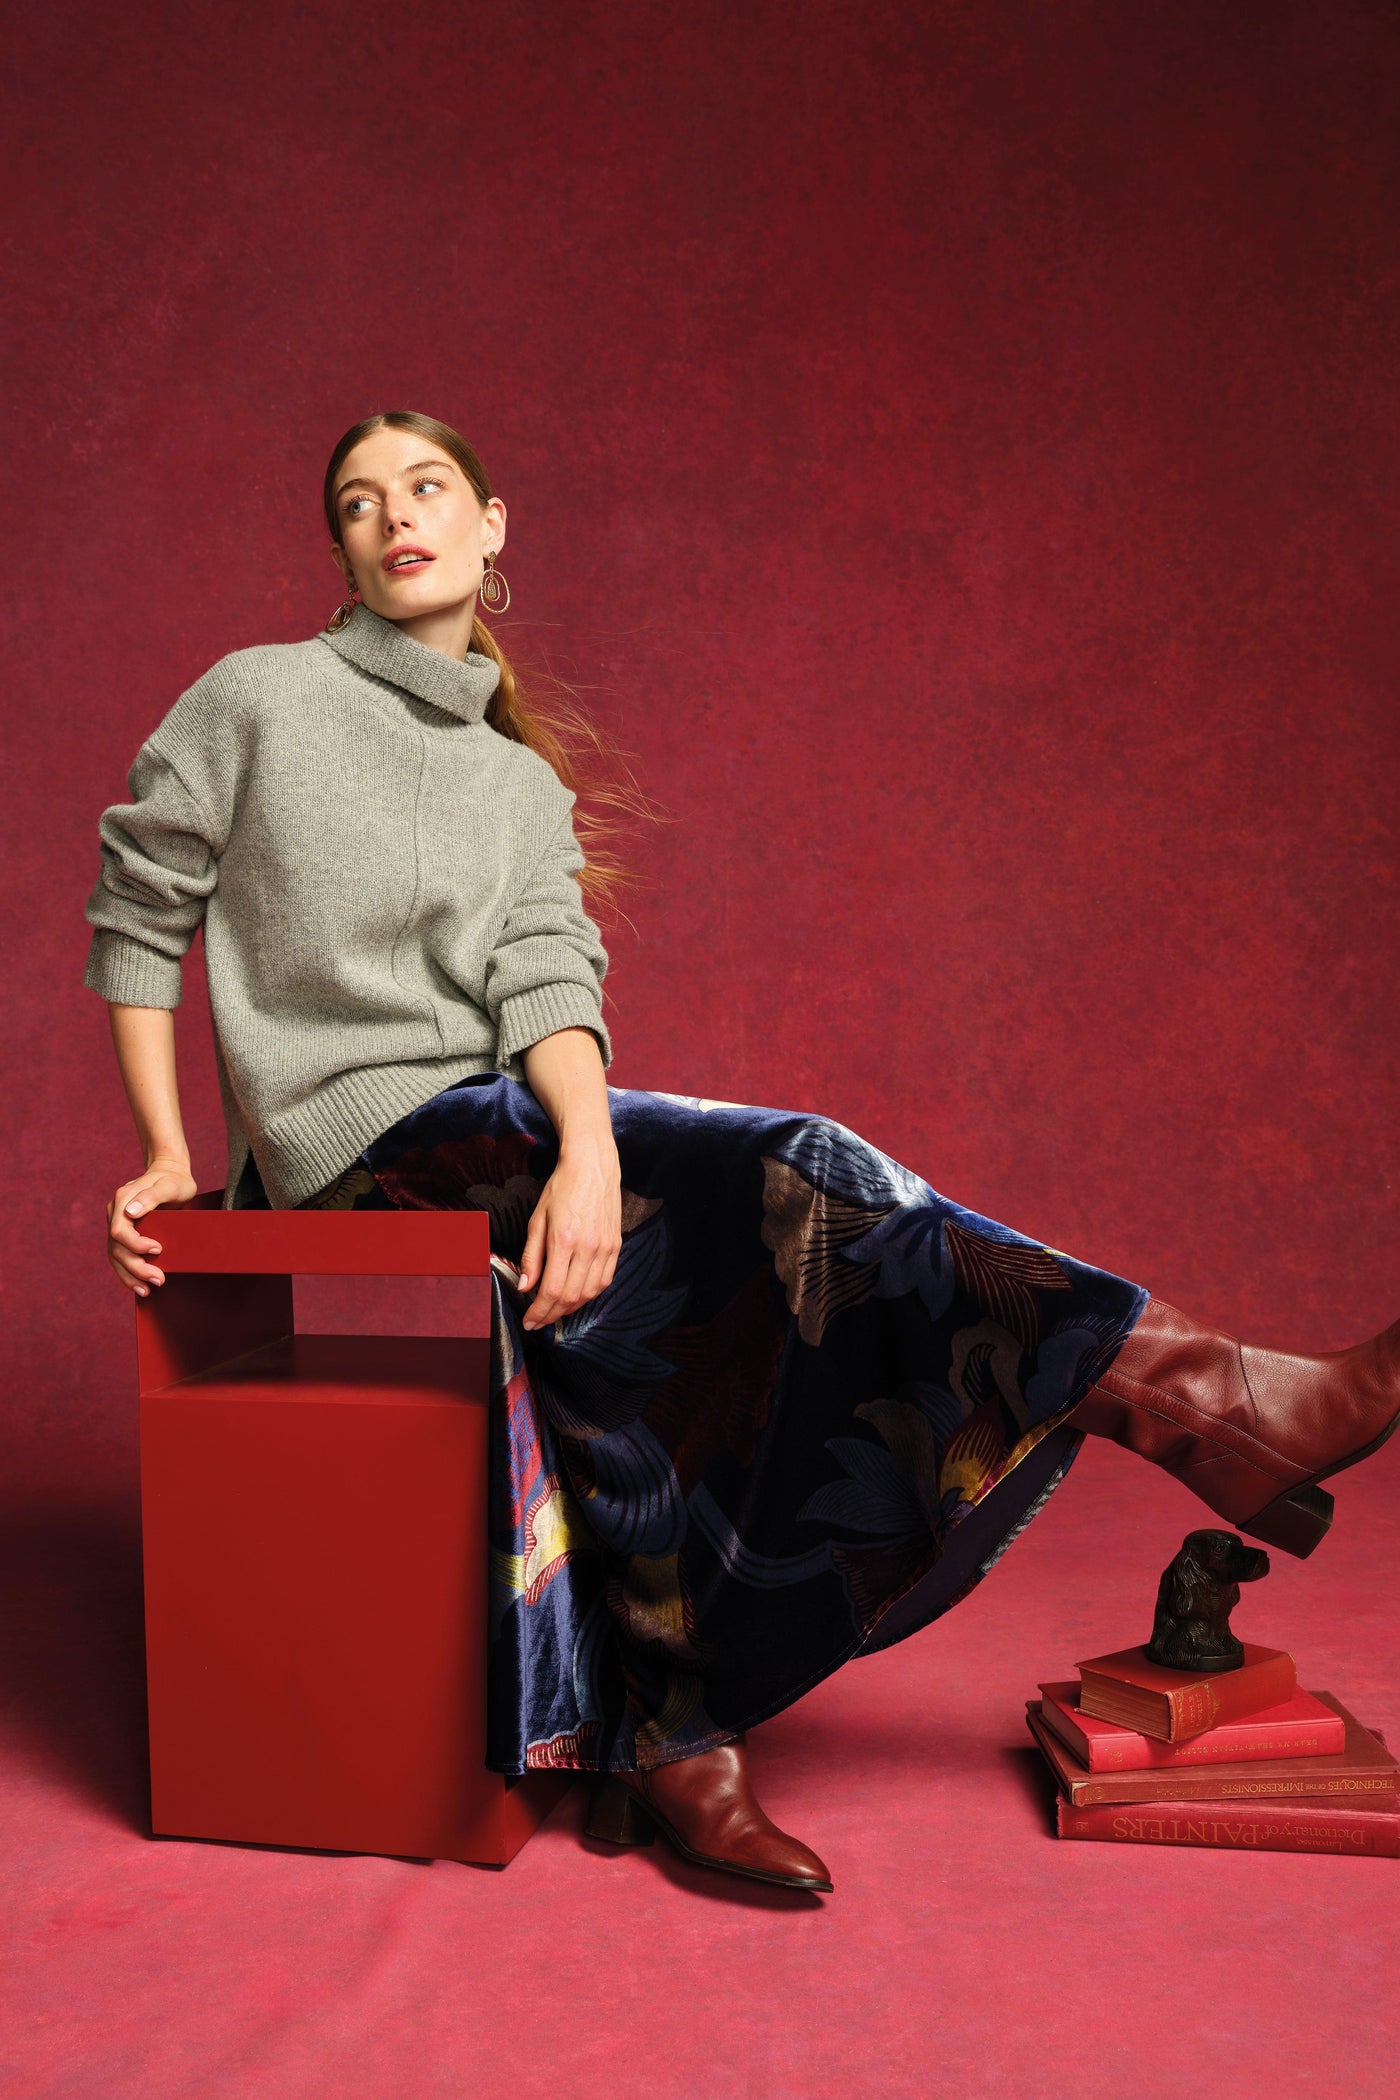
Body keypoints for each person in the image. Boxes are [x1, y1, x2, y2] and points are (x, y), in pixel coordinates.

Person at [84, 410, 1400, 1897]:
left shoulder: (517, 784)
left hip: (497, 1128)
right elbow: (142, 905)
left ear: (492, 525)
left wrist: (584, 1155)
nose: (398, 517)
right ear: (336, 545)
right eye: (360, 502)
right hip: (353, 1141)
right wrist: (162, 1148)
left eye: (429, 488)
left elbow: (548, 989)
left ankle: (675, 1731)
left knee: (656, 1292)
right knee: (796, 1167)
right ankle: (1193, 1393)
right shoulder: (259, 698)